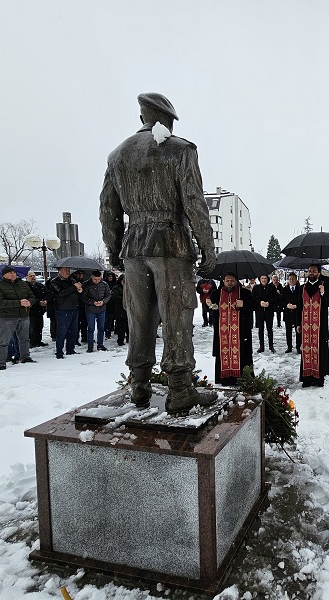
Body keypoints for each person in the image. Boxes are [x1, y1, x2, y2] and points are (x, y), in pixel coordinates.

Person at [100, 92, 217, 412]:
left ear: (142, 118)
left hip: (134, 248)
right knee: (177, 315)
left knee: (139, 317)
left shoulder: (117, 155)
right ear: (168, 120)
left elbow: (108, 209)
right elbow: (194, 202)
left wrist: (114, 248)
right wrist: (207, 247)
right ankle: (180, 389)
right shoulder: (181, 149)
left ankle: (139, 385)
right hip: (171, 244)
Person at [207, 272, 256, 385]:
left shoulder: (244, 293)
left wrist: (244, 304)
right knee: (223, 354)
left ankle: (243, 379)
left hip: (241, 333)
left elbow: (255, 305)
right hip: (222, 333)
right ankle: (225, 379)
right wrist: (208, 304)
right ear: (223, 282)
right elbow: (209, 308)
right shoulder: (216, 294)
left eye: (232, 280)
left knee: (243, 355)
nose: (230, 283)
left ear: (236, 281)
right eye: (227, 281)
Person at [0, 266, 37, 370]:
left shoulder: (22, 284)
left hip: (23, 316)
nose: (13, 274)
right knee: (4, 341)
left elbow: (32, 297)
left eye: (14, 272)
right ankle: (1, 363)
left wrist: (30, 302)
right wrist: (19, 303)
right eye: (10, 273)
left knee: (24, 339)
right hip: (6, 318)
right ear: (4, 275)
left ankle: (25, 357)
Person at [297, 263, 329, 387]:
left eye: (314, 271)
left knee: (319, 350)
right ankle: (307, 377)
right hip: (306, 326)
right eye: (310, 271)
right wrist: (298, 323)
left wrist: (323, 293)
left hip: (320, 326)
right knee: (306, 349)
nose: (311, 273)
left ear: (319, 273)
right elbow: (300, 307)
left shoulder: (325, 286)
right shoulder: (303, 288)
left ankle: (318, 378)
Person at [48, 266, 82, 359]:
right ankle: (59, 351)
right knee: (62, 332)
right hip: (63, 309)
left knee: (73, 331)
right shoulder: (54, 281)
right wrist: (74, 287)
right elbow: (60, 293)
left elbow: (74, 292)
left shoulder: (72, 280)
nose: (68, 272)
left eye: (68, 270)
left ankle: (70, 349)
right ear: (59, 271)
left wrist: (79, 291)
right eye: (65, 270)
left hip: (74, 307)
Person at [82, 270, 112, 352]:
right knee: (91, 328)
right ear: (92, 277)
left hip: (101, 309)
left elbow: (108, 295)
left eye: (98, 279)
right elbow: (83, 297)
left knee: (101, 327)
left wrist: (103, 301)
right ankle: (90, 346)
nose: (97, 281)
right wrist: (92, 302)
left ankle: (100, 344)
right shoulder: (86, 284)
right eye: (95, 279)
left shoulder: (104, 284)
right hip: (90, 309)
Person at [252, 274, 277, 353]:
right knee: (260, 329)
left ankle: (271, 346)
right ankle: (261, 346)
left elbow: (275, 297)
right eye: (262, 278)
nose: (263, 280)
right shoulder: (256, 288)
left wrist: (269, 302)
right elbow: (253, 298)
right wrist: (259, 302)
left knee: (270, 329)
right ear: (260, 279)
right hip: (259, 311)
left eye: (265, 278)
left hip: (269, 311)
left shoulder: (272, 287)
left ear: (267, 279)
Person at [24, 272, 49, 348]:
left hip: (40, 310)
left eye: (34, 276)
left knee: (39, 326)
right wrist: (38, 302)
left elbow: (48, 293)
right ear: (26, 277)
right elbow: (28, 297)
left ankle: (37, 340)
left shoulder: (39, 285)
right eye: (30, 276)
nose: (32, 277)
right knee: (30, 327)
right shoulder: (25, 286)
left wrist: (46, 300)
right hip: (31, 310)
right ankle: (30, 341)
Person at [282, 272, 302, 353]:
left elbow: (302, 301)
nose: (291, 280)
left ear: (296, 280)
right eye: (290, 279)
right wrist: (287, 305)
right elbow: (281, 301)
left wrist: (297, 305)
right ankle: (289, 346)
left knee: (298, 330)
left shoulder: (300, 289)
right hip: (288, 313)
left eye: (293, 279)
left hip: (297, 313)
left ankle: (298, 346)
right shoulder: (284, 289)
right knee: (288, 331)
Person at [110, 274, 128, 346]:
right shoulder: (116, 288)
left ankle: (129, 338)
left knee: (128, 327)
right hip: (120, 309)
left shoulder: (129, 287)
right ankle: (120, 340)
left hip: (128, 310)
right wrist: (125, 299)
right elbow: (115, 297)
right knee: (121, 327)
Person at [72, 270, 88, 346]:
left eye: (82, 274)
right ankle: (75, 339)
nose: (81, 275)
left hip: (83, 305)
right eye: (79, 274)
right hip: (76, 305)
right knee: (76, 324)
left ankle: (84, 337)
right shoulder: (73, 281)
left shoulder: (84, 282)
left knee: (85, 322)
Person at [103, 271, 119, 336]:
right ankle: (107, 332)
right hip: (107, 304)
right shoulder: (104, 284)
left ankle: (111, 330)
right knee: (107, 319)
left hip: (113, 304)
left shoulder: (114, 284)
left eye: (111, 276)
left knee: (111, 319)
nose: (110, 278)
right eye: (109, 276)